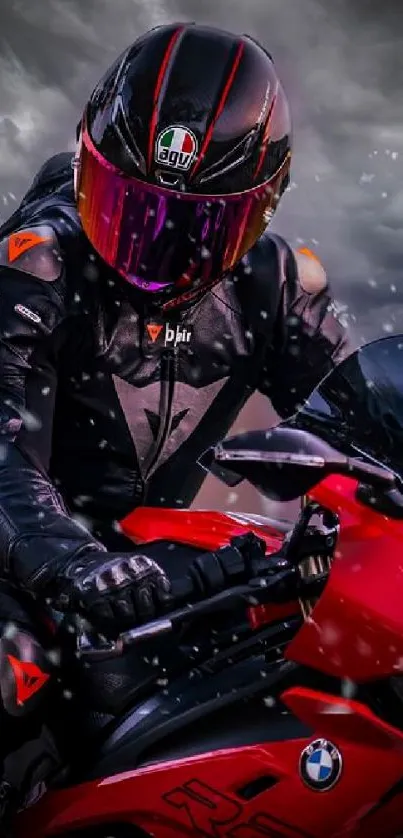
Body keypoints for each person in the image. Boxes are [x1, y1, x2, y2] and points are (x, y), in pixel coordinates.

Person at [0, 21, 352, 827]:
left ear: (258, 210)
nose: (148, 245)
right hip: (26, 561)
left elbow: (359, 418)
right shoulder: (36, 260)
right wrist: (69, 565)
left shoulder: (272, 286)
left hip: (158, 567)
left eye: (189, 227)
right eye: (124, 205)